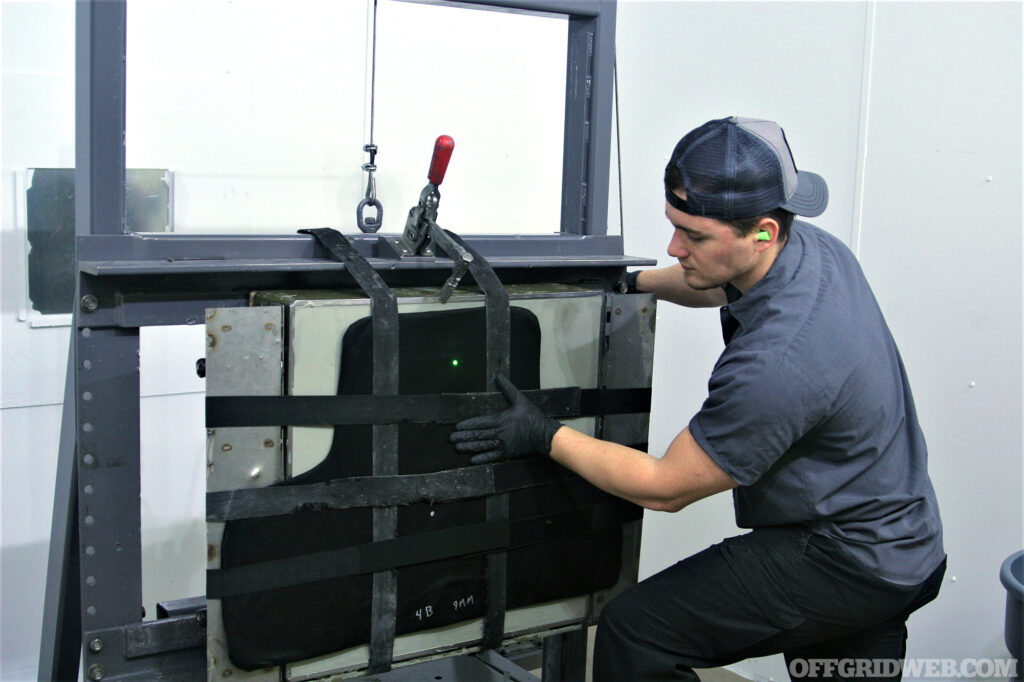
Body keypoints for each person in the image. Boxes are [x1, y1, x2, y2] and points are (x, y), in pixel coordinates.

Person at [450, 116, 945, 681]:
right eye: (675, 225)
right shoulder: (805, 249)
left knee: (638, 634)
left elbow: (667, 487)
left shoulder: (781, 362)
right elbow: (712, 280)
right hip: (903, 542)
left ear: (762, 229)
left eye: (695, 237)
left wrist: (545, 434)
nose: (673, 247)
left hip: (844, 557)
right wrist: (629, 285)